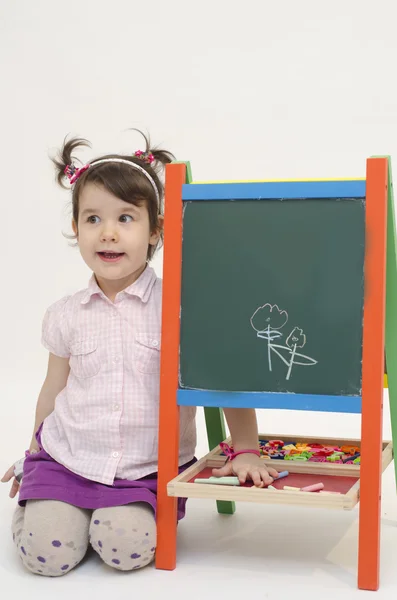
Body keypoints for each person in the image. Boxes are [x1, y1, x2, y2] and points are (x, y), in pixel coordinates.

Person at [1, 131, 278, 576]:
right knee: (45, 557)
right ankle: (49, 502)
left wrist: (245, 449)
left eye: (125, 218)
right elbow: (54, 388)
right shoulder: (65, 314)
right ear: (76, 228)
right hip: (69, 458)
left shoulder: (183, 311)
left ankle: (104, 520)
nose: (107, 232)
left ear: (155, 231)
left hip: (145, 468)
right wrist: (33, 448)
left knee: (124, 549)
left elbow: (224, 381)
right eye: (92, 219)